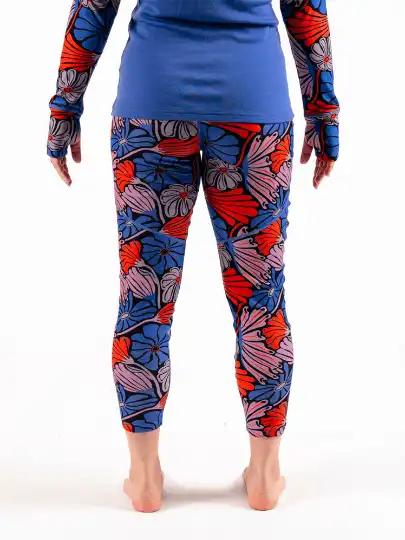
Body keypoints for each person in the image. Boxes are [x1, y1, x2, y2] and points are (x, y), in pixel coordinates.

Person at [47, 0, 339, 513]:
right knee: (261, 303)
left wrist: (64, 108)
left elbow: (94, 5)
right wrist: (323, 111)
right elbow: (306, 9)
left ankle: (143, 477)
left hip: (151, 106)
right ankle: (265, 475)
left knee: (144, 302)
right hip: (254, 108)